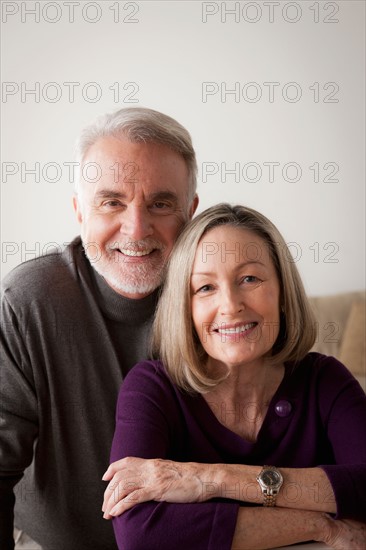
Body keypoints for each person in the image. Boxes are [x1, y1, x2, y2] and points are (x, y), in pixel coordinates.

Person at [103, 204, 366, 550]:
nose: (230, 305)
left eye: (250, 279)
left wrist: (210, 479)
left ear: (283, 293)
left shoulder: (324, 379)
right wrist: (319, 524)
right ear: (185, 307)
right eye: (205, 288)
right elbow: (140, 533)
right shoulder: (152, 388)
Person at [0, 107, 199, 549]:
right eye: (112, 202)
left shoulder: (216, 299)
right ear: (78, 210)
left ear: (191, 211)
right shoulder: (29, 300)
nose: (136, 228)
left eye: (161, 203)